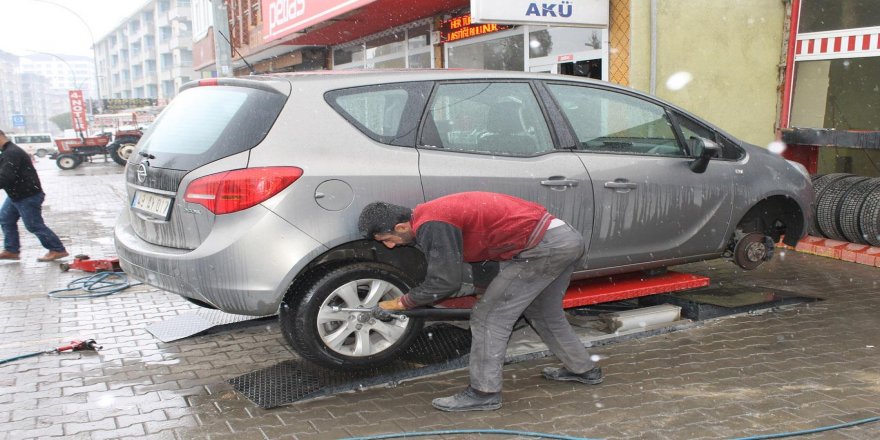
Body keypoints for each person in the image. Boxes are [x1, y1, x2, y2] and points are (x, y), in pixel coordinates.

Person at [358, 191, 602, 412]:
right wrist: (484, 291)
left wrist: (401, 303)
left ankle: (483, 393)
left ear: (401, 227)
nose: (389, 246)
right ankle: (584, 369)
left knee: (489, 317)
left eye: (386, 239)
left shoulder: (432, 224)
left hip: (544, 249)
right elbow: (485, 252)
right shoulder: (432, 216)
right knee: (544, 313)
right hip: (563, 240)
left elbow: (445, 282)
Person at [0, 129, 69, 262]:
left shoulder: (12, 153)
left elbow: (6, 178)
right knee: (5, 218)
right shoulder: (7, 152)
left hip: (27, 196)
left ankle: (57, 249)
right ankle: (11, 250)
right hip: (16, 195)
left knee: (33, 224)